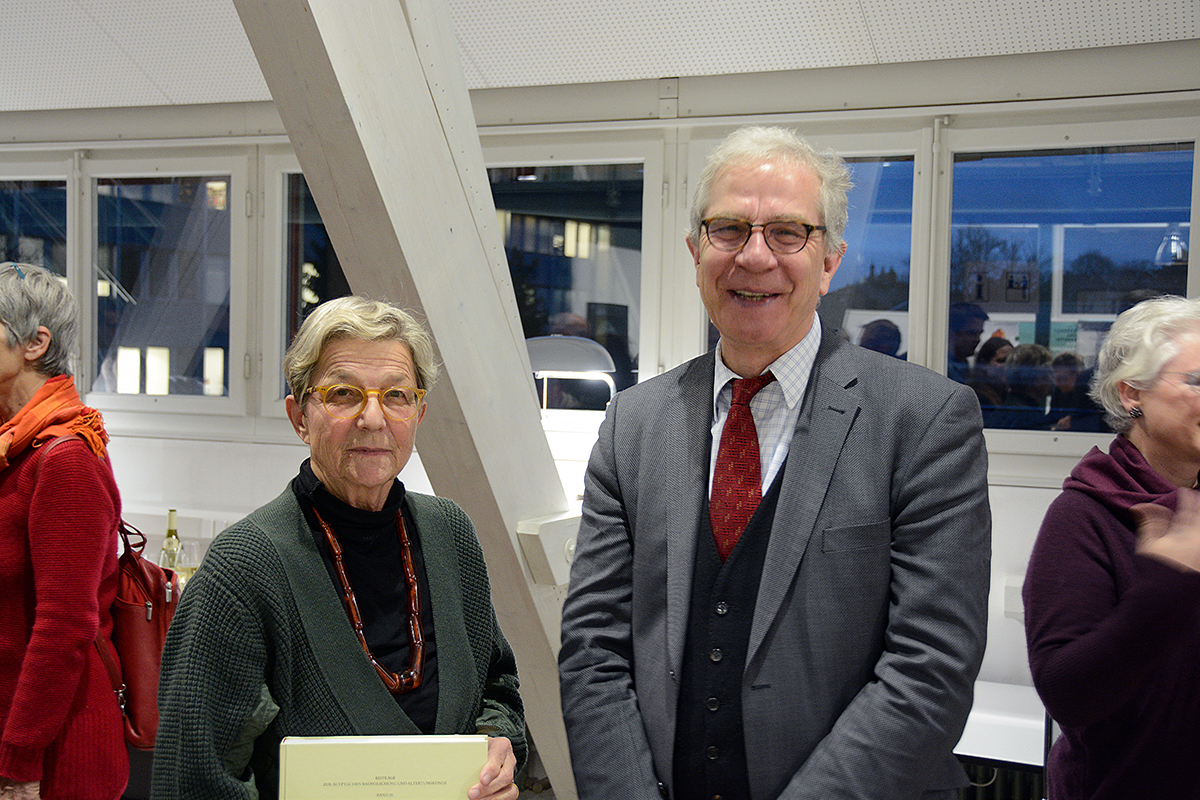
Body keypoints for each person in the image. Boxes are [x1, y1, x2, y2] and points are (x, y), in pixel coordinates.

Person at [558, 126, 991, 800]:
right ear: (696, 249)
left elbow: (930, 670)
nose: (754, 257)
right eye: (728, 229)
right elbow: (593, 652)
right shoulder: (633, 424)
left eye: (788, 232)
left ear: (829, 262)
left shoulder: (925, 421)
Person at [152, 296, 525, 799]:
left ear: (418, 413)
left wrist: (497, 743)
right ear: (299, 416)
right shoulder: (241, 571)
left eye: (396, 395)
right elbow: (193, 778)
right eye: (344, 393)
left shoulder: (451, 535)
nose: (373, 418)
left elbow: (497, 684)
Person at [1023, 295, 1200, 799]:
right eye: (1197, 380)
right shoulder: (1083, 516)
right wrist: (1165, 589)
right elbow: (1068, 695)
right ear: (1131, 394)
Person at [0, 263, 128, 799]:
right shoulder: (12, 448)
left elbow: (65, 627)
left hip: (55, 755)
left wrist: (21, 762)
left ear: (35, 343)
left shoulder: (64, 459)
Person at [990, 343, 1054, 430]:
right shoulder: (1032, 421)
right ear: (1038, 379)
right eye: (1049, 374)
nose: (1051, 380)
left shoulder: (997, 414)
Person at [967, 335, 1012, 416]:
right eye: (1001, 361)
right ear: (984, 364)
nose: (1007, 366)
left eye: (1011, 361)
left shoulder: (1007, 395)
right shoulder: (977, 397)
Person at [947, 301, 988, 384]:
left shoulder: (962, 365)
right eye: (972, 333)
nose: (977, 339)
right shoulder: (945, 367)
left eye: (979, 333)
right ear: (952, 333)